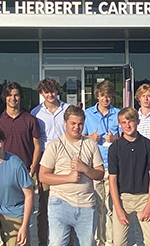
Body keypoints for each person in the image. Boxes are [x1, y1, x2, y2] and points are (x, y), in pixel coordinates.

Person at [39, 105, 105, 246]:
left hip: (86, 204)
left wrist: (85, 169)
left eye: (80, 123)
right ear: (65, 123)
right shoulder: (54, 145)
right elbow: (43, 176)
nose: (77, 127)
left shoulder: (91, 145)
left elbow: (100, 174)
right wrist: (68, 178)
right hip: (60, 203)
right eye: (73, 123)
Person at [108, 107, 150, 246]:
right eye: (123, 122)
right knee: (118, 242)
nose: (127, 125)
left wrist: (149, 205)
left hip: (144, 197)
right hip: (123, 198)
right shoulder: (115, 147)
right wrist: (118, 209)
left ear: (137, 121)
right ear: (119, 124)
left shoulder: (148, 145)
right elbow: (112, 179)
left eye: (130, 121)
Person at [31, 78, 69, 245]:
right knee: (45, 202)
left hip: (65, 157)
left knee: (68, 200)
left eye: (53, 91)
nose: (50, 95)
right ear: (41, 93)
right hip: (45, 158)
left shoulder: (67, 109)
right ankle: (43, 241)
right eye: (46, 92)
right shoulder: (36, 113)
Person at [84, 80, 120, 246]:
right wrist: (90, 138)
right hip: (96, 166)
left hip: (114, 166)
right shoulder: (87, 114)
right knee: (98, 206)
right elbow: (79, 137)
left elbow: (126, 138)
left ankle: (112, 241)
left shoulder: (118, 114)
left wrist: (115, 139)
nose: (105, 99)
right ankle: (99, 240)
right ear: (97, 96)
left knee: (112, 206)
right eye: (102, 95)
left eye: (108, 96)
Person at [0, 82, 42, 175]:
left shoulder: (30, 120)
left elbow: (37, 146)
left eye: (16, 95)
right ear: (5, 98)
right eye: (9, 95)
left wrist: (33, 167)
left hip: (24, 169)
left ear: (20, 97)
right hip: (2, 168)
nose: (13, 98)